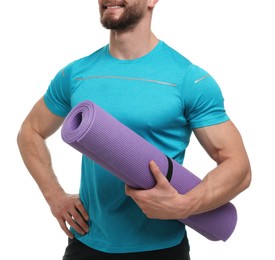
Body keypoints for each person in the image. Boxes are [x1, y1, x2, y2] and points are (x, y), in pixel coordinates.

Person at [17, 0, 251, 259]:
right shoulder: (76, 74)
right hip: (86, 243)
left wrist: (187, 204)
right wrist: (54, 196)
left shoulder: (188, 79)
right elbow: (31, 131)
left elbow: (238, 167)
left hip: (161, 248)